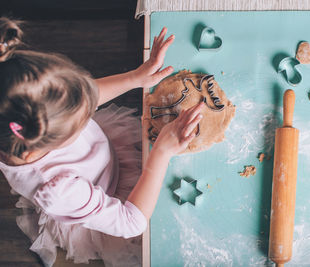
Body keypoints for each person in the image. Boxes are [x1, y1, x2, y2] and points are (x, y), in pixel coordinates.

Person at [0, 17, 204, 266]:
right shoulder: (60, 190)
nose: (90, 109)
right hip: (109, 197)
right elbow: (131, 223)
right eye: (82, 116)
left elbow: (87, 97)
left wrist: (135, 78)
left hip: (101, 154)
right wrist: (160, 153)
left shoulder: (25, 115)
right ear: (39, 144)